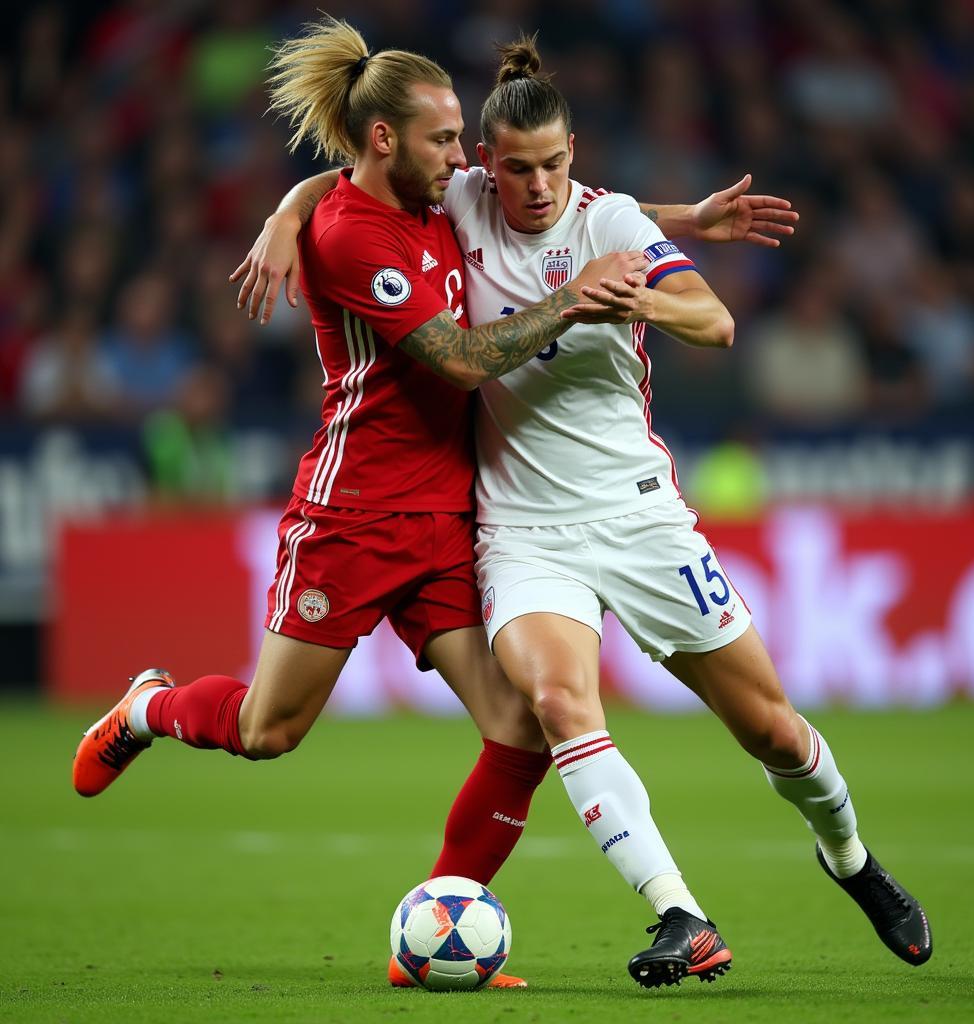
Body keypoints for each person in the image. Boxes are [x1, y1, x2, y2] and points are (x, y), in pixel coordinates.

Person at [253, 34, 932, 989]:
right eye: (517, 169)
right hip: (523, 532)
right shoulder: (461, 201)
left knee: (774, 731)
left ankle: (853, 861)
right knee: (560, 702)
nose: (538, 187)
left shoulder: (608, 222)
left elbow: (717, 320)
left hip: (640, 517)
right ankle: (680, 915)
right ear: (485, 166)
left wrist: (645, 293)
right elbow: (358, 183)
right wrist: (288, 209)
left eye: (557, 166)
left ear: (576, 159)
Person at [71, 17, 644, 991]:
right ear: (384, 140)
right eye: (443, 140)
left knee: (518, 728)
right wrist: (573, 302)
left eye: (462, 140)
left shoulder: (432, 200)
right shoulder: (348, 235)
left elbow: (554, 200)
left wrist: (678, 227)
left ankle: (437, 934)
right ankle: (148, 707)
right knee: (268, 732)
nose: (460, 158)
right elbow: (460, 363)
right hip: (351, 521)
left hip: (450, 520)